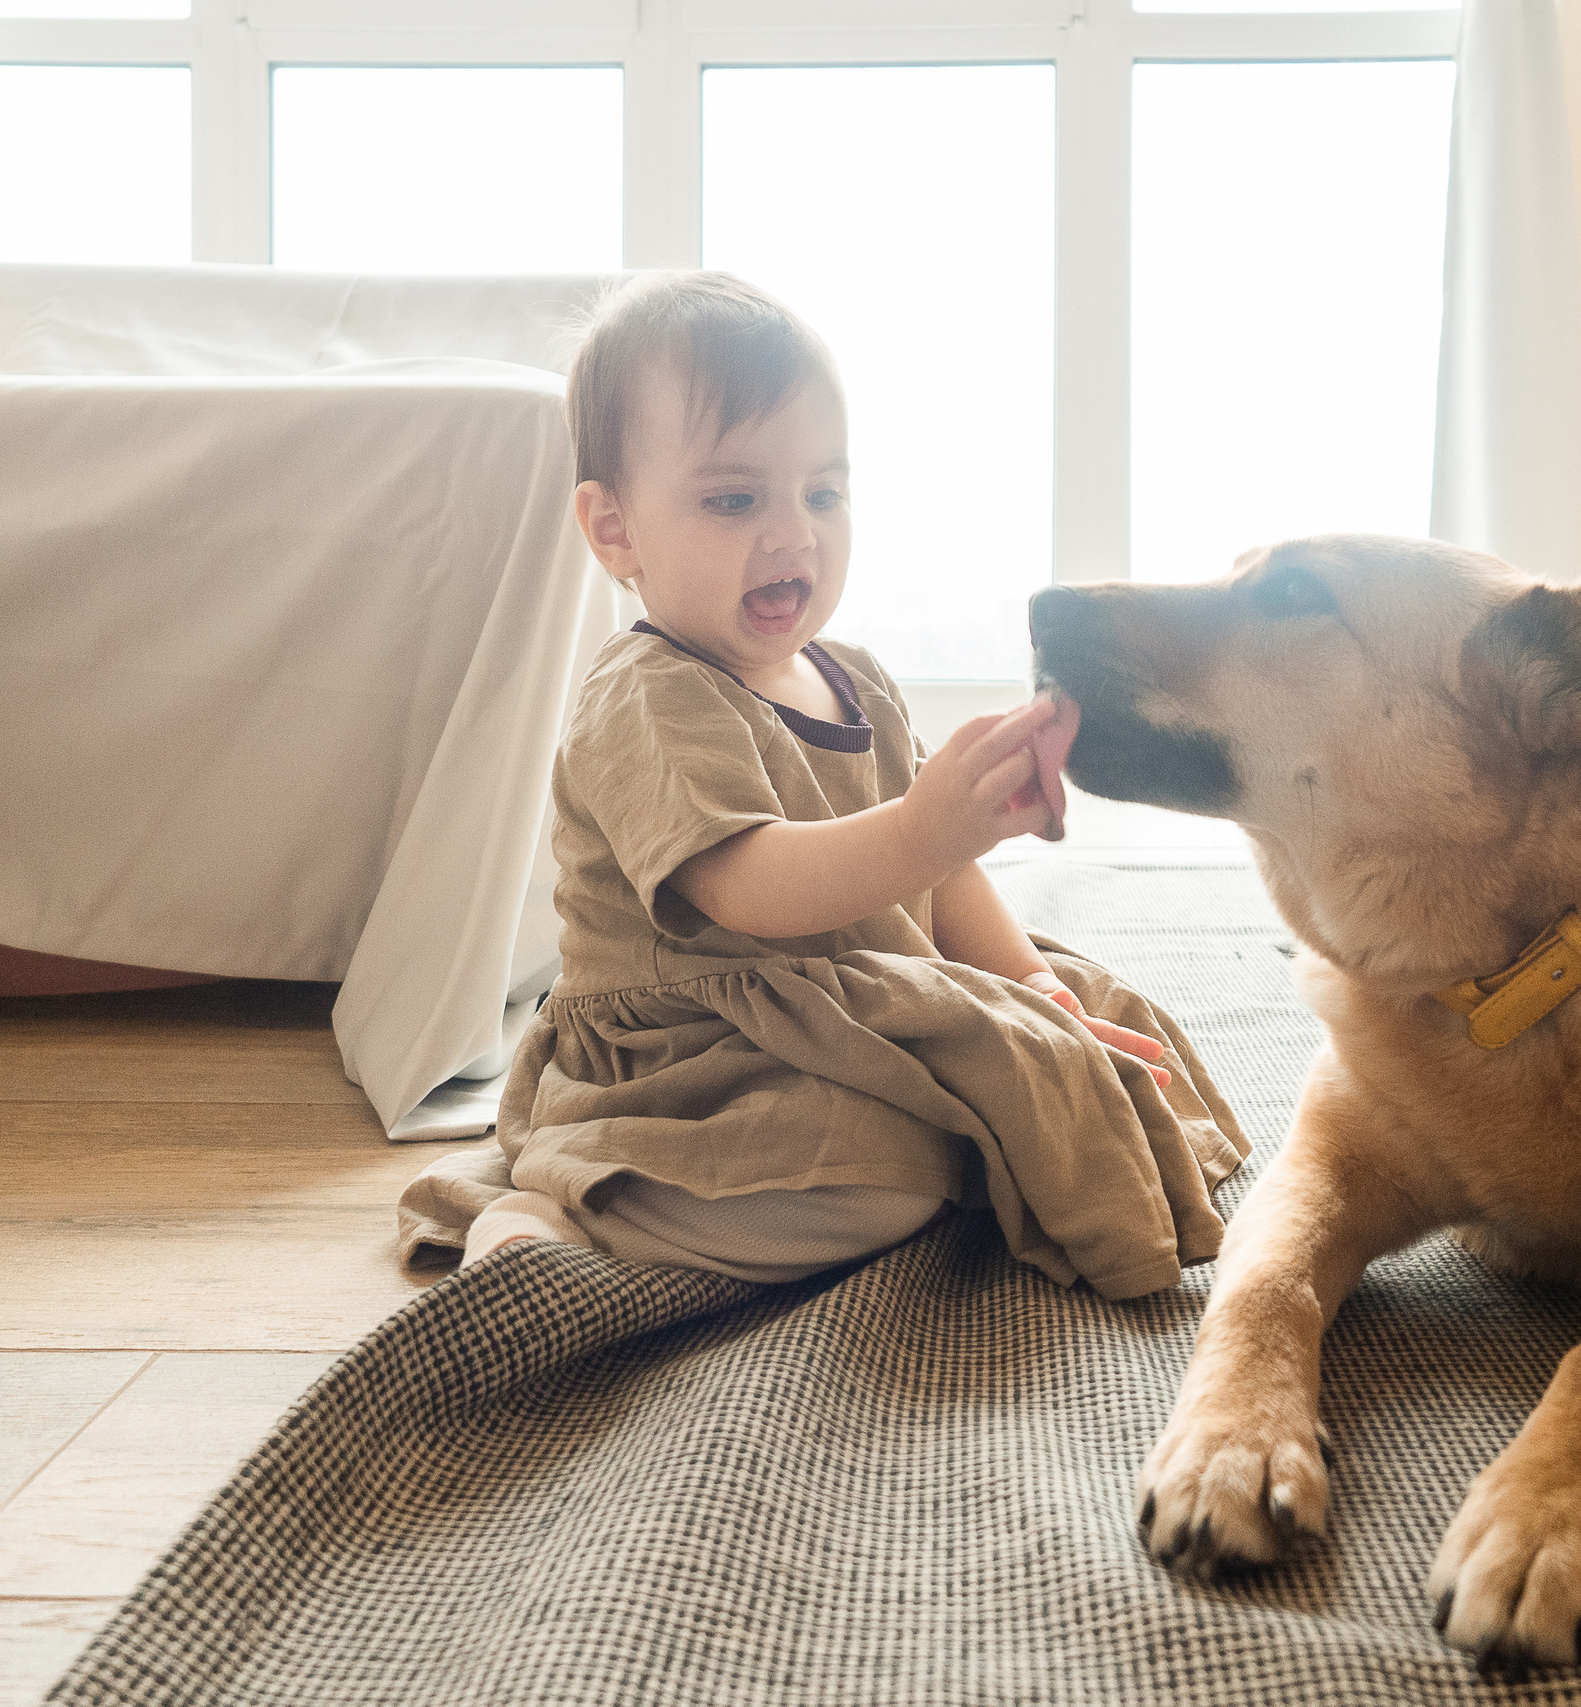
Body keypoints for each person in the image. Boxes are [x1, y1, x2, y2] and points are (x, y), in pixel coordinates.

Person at [440, 271, 1246, 1299]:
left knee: (1084, 1018)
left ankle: (961, 1128)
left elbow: (937, 885)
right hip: (697, 1050)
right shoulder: (647, 694)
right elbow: (750, 888)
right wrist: (920, 831)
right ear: (615, 530)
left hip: (840, 994)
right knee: (884, 1170)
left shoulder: (852, 673)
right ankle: (579, 1209)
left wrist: (1027, 983)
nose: (793, 534)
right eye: (734, 499)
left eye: (822, 492)